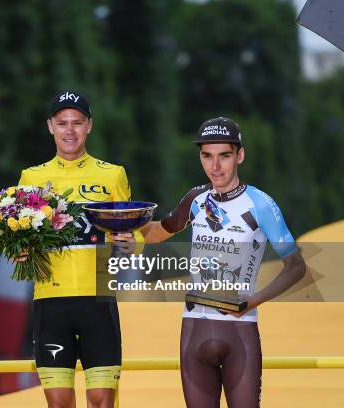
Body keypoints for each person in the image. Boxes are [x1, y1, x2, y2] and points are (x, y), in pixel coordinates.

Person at [142, 117, 306, 407]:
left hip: (239, 331)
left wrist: (253, 301)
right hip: (193, 328)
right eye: (207, 156)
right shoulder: (195, 198)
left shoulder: (260, 204)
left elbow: (296, 266)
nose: (215, 166)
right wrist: (121, 222)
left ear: (239, 156)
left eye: (224, 156)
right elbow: (156, 234)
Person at [17, 90, 136, 408]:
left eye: (77, 123)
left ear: (89, 126)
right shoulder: (31, 177)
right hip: (50, 303)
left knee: (101, 402)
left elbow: (128, 237)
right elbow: (20, 238)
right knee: (58, 405)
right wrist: (20, 250)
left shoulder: (113, 175)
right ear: (50, 127)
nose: (70, 130)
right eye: (62, 123)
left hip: (98, 300)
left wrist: (129, 244)